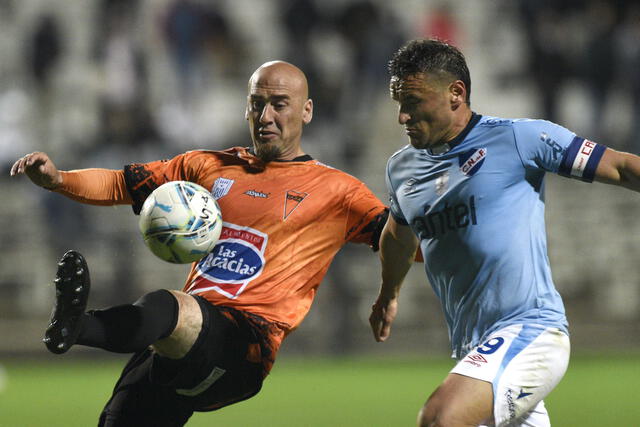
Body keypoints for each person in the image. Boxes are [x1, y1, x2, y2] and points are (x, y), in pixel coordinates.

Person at [10, 61, 388, 426]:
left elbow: (402, 240)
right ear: (246, 108)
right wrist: (58, 179)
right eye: (257, 103)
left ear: (306, 111)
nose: (266, 116)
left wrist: (415, 258)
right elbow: (121, 185)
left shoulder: (338, 191)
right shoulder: (207, 167)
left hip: (246, 345)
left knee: (166, 305)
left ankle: (77, 327)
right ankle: (73, 329)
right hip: (183, 337)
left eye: (279, 104)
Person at [368, 38, 640, 427]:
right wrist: (387, 295)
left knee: (440, 419)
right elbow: (398, 236)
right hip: (474, 348)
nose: (402, 116)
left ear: (455, 94)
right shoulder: (402, 169)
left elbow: (620, 168)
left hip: (530, 331)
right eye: (399, 103)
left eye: (412, 102)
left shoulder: (518, 138)